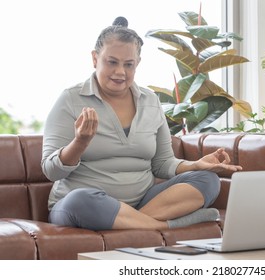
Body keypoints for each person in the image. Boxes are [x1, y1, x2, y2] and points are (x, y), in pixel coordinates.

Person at [41, 16, 242, 231]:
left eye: (129, 64)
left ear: (137, 63)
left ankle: (132, 221)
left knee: (207, 180)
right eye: (112, 62)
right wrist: (80, 142)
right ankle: (165, 226)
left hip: (145, 202)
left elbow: (162, 163)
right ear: (95, 58)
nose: (120, 72)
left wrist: (196, 165)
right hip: (87, 204)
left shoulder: (150, 101)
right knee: (79, 200)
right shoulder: (71, 99)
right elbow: (51, 171)